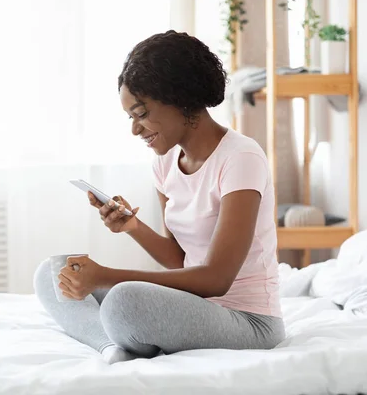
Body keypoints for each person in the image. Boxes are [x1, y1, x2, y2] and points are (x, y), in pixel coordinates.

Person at [33, 30, 285, 364]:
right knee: (53, 273)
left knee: (125, 301)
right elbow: (181, 260)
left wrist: (105, 274)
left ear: (179, 97)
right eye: (131, 118)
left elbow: (217, 279)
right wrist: (133, 226)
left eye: (141, 113)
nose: (135, 130)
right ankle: (112, 346)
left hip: (248, 321)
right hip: (192, 306)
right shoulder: (165, 163)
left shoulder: (241, 157)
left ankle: (123, 334)